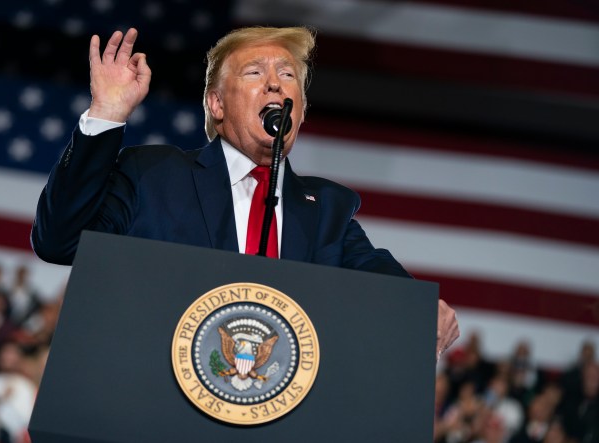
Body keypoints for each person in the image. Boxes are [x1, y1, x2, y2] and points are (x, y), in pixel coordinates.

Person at [31, 26, 459, 358]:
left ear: (301, 110)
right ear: (216, 105)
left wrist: (418, 309)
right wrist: (107, 112)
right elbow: (59, 240)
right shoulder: (153, 174)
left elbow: (381, 280)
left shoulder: (327, 209)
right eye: (255, 72)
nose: (275, 84)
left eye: (288, 75)